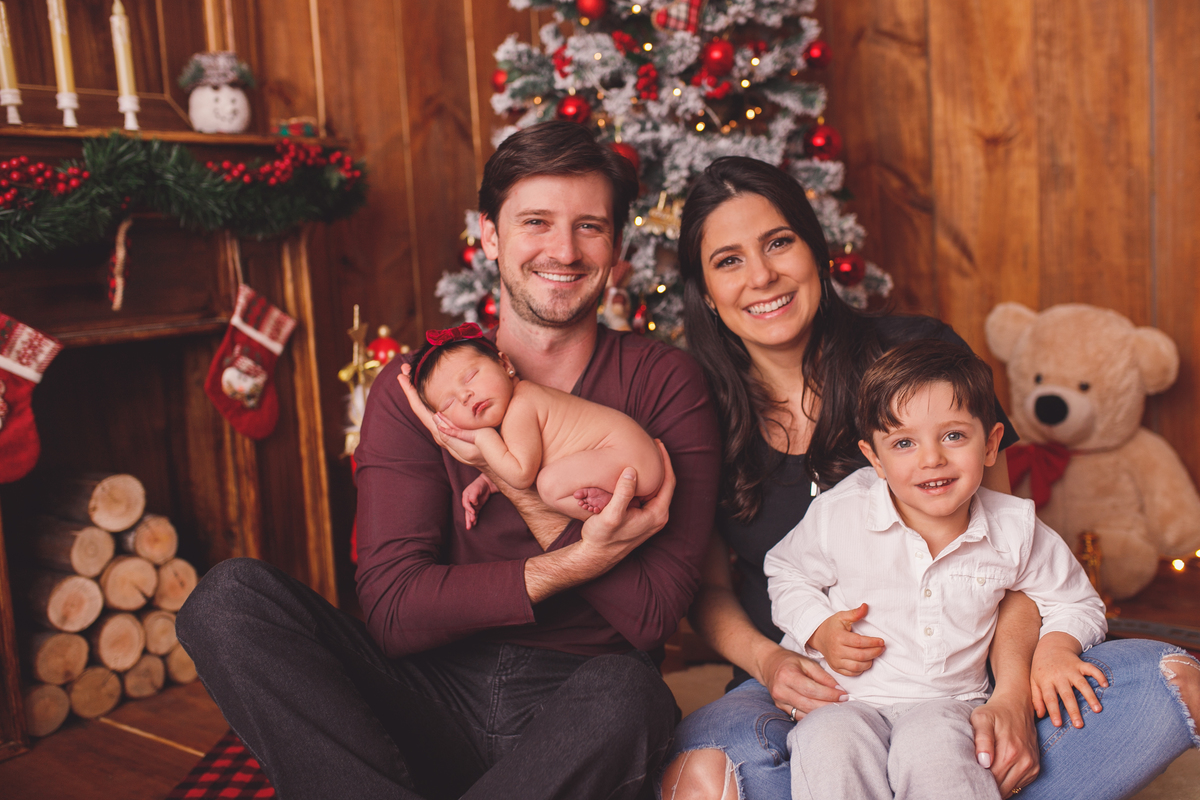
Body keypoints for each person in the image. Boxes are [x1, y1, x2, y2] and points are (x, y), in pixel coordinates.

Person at [177, 121, 721, 800]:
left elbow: (650, 616)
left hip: (578, 714)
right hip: (429, 697)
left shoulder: (664, 381)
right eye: (536, 222)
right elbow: (394, 613)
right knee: (228, 602)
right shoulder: (419, 388)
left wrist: (523, 496)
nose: (563, 249)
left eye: (589, 226)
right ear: (489, 236)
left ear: (617, 248)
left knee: (629, 693)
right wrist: (579, 562)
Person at [658, 156, 1200, 800]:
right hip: (809, 685)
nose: (762, 275)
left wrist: (1014, 694)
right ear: (706, 291)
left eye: (779, 242)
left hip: (965, 677)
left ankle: (958, 770)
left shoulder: (918, 360)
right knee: (708, 774)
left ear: (817, 249)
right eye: (728, 260)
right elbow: (712, 590)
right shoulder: (694, 405)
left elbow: (1009, 556)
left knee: (1171, 682)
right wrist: (773, 662)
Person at [764, 338, 1108, 799]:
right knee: (827, 744)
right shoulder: (839, 514)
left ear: (990, 445)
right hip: (843, 697)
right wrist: (818, 628)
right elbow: (786, 572)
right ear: (875, 459)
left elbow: (1077, 602)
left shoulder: (1014, 527)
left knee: (939, 752)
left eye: (953, 436)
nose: (931, 459)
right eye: (904, 443)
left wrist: (1056, 650)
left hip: (949, 702)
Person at [404, 321, 664, 523]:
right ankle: (621, 501)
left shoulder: (521, 406)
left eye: (470, 376)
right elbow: (529, 453)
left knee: (549, 485)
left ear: (505, 363)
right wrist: (489, 481)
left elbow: (520, 475)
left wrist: (481, 439)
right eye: (448, 403)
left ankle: (623, 514)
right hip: (630, 458)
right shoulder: (518, 405)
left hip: (630, 459)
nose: (464, 396)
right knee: (552, 479)